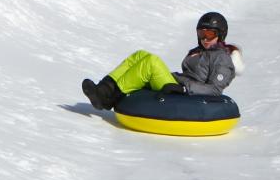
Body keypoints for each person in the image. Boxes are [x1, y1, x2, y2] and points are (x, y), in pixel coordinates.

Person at [82, 12, 242, 111]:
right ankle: (103, 89)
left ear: (220, 34)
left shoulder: (222, 58)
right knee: (140, 54)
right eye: (202, 34)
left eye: (210, 34)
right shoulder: (199, 52)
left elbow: (215, 89)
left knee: (151, 62)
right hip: (177, 84)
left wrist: (186, 89)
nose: (205, 39)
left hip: (187, 95)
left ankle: (107, 97)